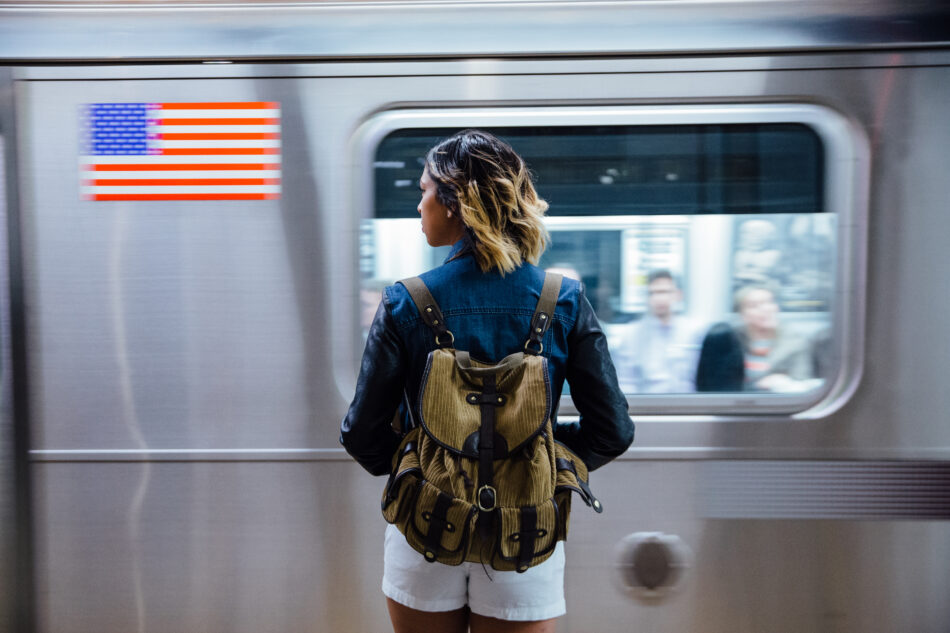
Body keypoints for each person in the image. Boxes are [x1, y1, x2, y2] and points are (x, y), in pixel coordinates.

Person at [340, 130, 634, 633]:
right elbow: (613, 430)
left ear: (455, 202)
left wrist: (424, 461)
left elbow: (361, 433)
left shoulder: (405, 302)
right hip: (526, 532)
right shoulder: (561, 300)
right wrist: (535, 453)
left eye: (425, 190)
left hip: (425, 526)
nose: (419, 205)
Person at [613, 270, 704, 393]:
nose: (659, 298)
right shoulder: (632, 335)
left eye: (665, 292)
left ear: (678, 295)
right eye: (653, 293)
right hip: (647, 407)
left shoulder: (694, 332)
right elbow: (625, 382)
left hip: (689, 406)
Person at [733, 285, 816, 392]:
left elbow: (803, 380)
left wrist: (783, 382)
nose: (766, 309)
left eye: (769, 302)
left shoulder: (795, 341)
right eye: (754, 306)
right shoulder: (732, 339)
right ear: (742, 314)